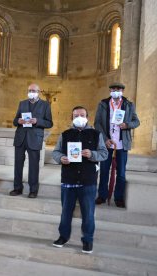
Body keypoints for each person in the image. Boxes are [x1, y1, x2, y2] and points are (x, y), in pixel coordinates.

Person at [52, 106, 108, 254]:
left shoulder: (96, 134)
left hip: (87, 180)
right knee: (65, 212)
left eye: (82, 115)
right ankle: (63, 236)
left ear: (87, 117)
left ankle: (88, 240)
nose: (79, 117)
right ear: (72, 118)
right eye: (76, 115)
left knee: (88, 213)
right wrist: (60, 158)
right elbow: (56, 152)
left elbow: (104, 154)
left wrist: (92, 154)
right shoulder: (65, 134)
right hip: (68, 179)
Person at [94, 82, 140, 208]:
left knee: (121, 173)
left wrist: (127, 125)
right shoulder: (103, 104)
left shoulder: (128, 104)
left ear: (122, 91)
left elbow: (136, 122)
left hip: (121, 144)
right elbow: (97, 123)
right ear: (110, 90)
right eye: (114, 89)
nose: (116, 91)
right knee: (104, 171)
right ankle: (102, 196)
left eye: (118, 89)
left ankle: (118, 197)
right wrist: (105, 139)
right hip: (107, 143)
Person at [10, 83, 53, 198]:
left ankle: (33, 190)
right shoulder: (22, 103)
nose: (31, 92)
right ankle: (17, 188)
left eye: (33, 90)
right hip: (20, 138)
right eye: (29, 90)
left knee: (34, 165)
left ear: (39, 92)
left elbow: (49, 123)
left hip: (34, 139)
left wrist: (37, 121)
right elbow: (14, 120)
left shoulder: (45, 105)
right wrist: (18, 121)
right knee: (18, 164)